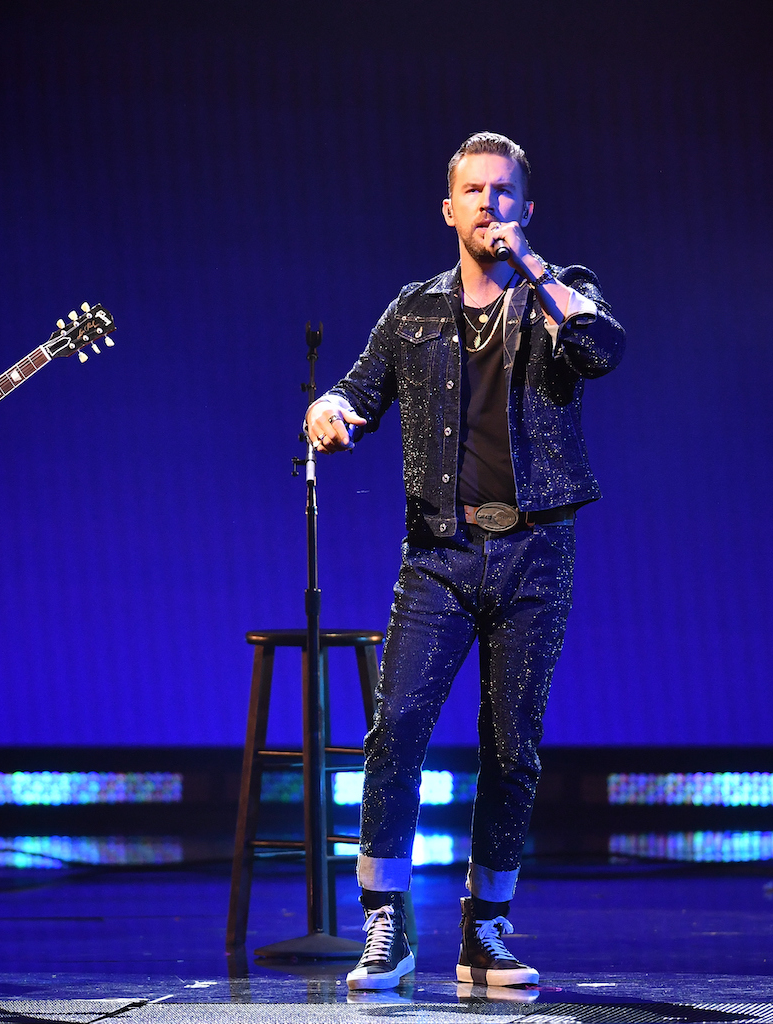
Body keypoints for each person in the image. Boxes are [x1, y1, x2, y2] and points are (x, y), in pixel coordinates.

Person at [305, 132, 625, 991]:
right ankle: (388, 926)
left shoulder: (564, 295)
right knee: (396, 729)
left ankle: (486, 933)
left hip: (534, 552)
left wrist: (536, 271)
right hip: (440, 554)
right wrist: (329, 409)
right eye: (474, 192)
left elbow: (600, 349)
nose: (489, 203)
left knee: (513, 746)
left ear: (526, 208)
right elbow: (358, 387)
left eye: (504, 192)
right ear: (449, 210)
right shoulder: (413, 310)